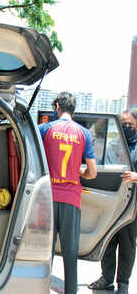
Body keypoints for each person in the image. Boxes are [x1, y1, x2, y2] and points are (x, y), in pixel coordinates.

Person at [39, 92, 97, 294]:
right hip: (71, 198)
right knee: (70, 252)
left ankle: (40, 288)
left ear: (57, 108)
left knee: (45, 251)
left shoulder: (45, 129)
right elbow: (92, 172)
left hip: (46, 197)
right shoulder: (84, 134)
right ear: (73, 110)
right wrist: (80, 172)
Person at [88, 109, 137, 294]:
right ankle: (106, 278)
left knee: (127, 244)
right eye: (122, 124)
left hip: (132, 204)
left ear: (136, 125)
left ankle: (123, 283)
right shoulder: (112, 145)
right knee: (108, 241)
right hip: (112, 201)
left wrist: (135, 176)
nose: (126, 128)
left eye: (129, 124)